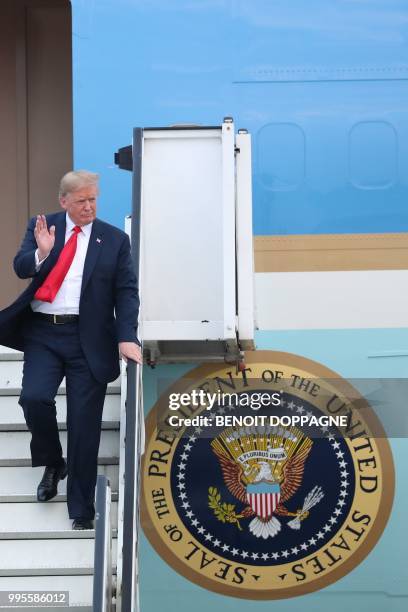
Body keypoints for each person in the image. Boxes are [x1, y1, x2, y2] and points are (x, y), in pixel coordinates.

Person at [0, 170, 142, 529]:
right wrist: (41, 254)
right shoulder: (43, 226)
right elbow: (20, 268)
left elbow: (126, 291)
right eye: (81, 201)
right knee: (33, 398)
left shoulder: (113, 239)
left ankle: (81, 511)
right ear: (64, 201)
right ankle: (53, 461)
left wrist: (127, 336)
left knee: (84, 425)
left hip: (88, 338)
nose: (89, 207)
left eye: (93, 199)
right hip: (44, 333)